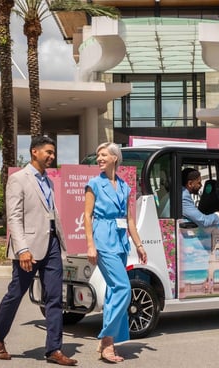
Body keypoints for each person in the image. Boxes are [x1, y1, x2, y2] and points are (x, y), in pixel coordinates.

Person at [0, 136, 77, 366]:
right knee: (15, 294)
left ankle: (54, 350)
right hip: (28, 248)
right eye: (48, 152)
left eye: (53, 153)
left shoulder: (48, 180)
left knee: (55, 297)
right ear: (34, 152)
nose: (52, 156)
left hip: (52, 245)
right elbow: (14, 217)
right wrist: (23, 249)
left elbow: (50, 214)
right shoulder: (19, 179)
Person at [84, 142, 147, 363]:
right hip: (103, 240)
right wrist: (90, 245)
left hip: (121, 242)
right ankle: (106, 339)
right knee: (123, 287)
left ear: (115, 158)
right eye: (98, 155)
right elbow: (87, 216)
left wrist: (139, 245)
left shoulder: (124, 187)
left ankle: (108, 344)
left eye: (103, 155)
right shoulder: (93, 184)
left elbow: (130, 219)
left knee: (113, 291)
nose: (99, 158)